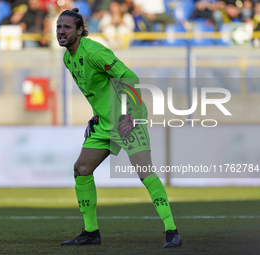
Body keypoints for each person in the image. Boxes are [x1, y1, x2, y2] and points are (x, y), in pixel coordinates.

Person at [56, 8, 182, 248]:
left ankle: (171, 231)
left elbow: (128, 76)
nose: (61, 32)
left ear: (80, 31)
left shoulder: (93, 51)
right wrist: (96, 114)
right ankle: (91, 232)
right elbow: (98, 89)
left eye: (67, 27)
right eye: (58, 27)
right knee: (81, 169)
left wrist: (128, 115)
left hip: (128, 116)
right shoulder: (67, 58)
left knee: (144, 172)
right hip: (104, 122)